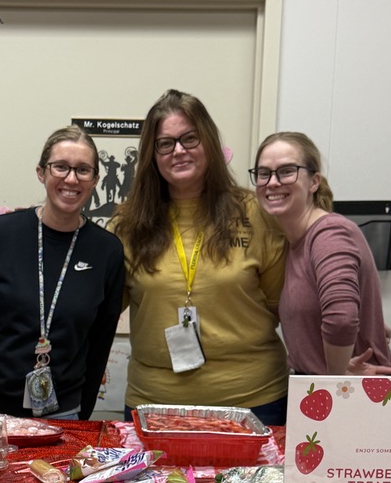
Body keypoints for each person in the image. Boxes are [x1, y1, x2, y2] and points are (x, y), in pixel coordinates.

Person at [111, 89, 288, 425]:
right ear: (152, 153)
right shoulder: (127, 224)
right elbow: (98, 310)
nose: (179, 151)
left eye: (190, 138)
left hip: (254, 402)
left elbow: (290, 308)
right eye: (165, 143)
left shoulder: (257, 214)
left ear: (208, 141)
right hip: (153, 406)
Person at [0, 125, 125, 419]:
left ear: (95, 180)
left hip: (64, 413)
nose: (71, 178)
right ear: (41, 172)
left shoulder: (107, 251)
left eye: (83, 170)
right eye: (61, 167)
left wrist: (84, 415)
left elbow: (100, 342)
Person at [251, 131, 391, 375]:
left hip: (347, 397)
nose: (273, 182)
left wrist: (338, 378)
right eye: (264, 173)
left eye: (287, 171)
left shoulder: (329, 233)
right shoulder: (292, 241)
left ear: (314, 182)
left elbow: (341, 319)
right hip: (321, 390)